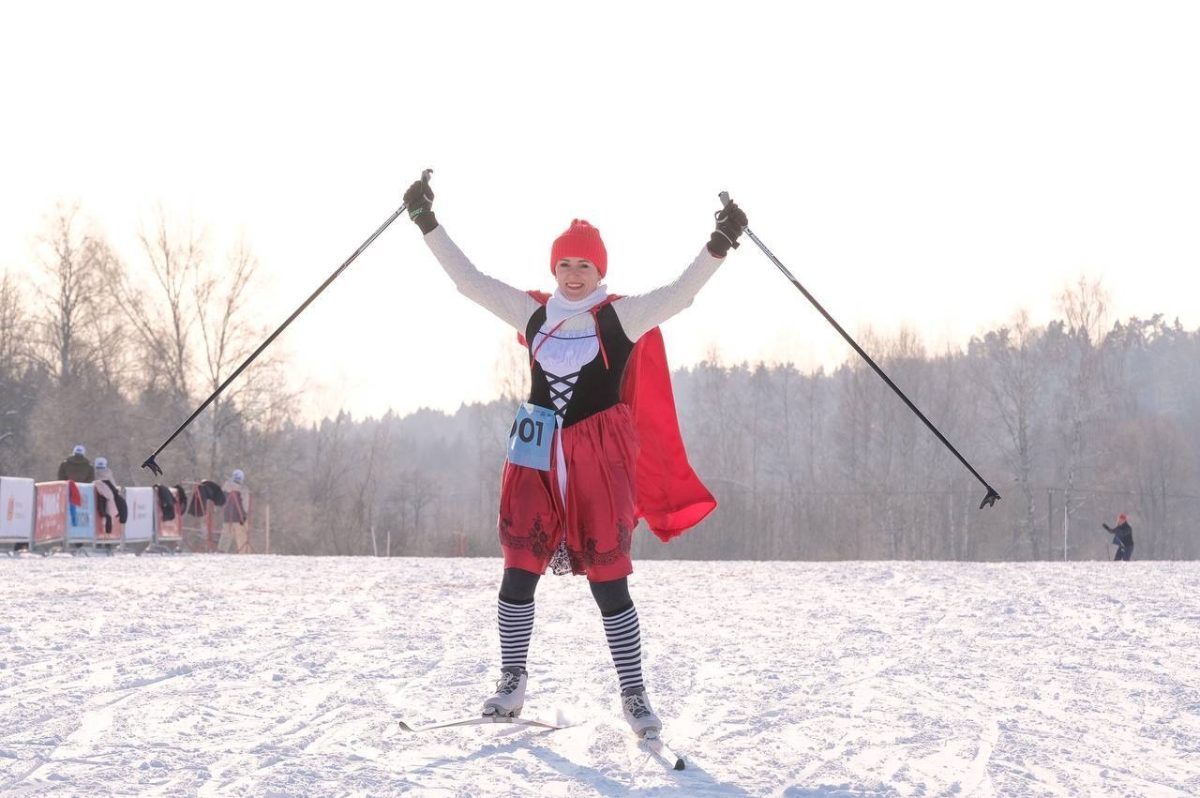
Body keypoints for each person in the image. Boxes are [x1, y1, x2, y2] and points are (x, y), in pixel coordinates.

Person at [403, 174, 747, 738]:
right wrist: (426, 222)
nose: (573, 273)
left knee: (609, 583)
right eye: (565, 263)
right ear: (554, 267)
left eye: (584, 265)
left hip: (597, 464)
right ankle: (512, 682)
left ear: (599, 270)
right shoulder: (533, 314)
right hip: (535, 459)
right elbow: (469, 282)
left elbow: (680, 294)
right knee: (518, 571)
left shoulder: (620, 317)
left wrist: (720, 243)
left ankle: (634, 695)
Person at [221, 469, 251, 553]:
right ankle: (244, 553)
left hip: (227, 516)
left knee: (226, 536)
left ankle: (221, 552)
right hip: (239, 517)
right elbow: (245, 504)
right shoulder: (243, 489)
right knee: (242, 537)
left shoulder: (225, 487)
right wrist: (245, 514)